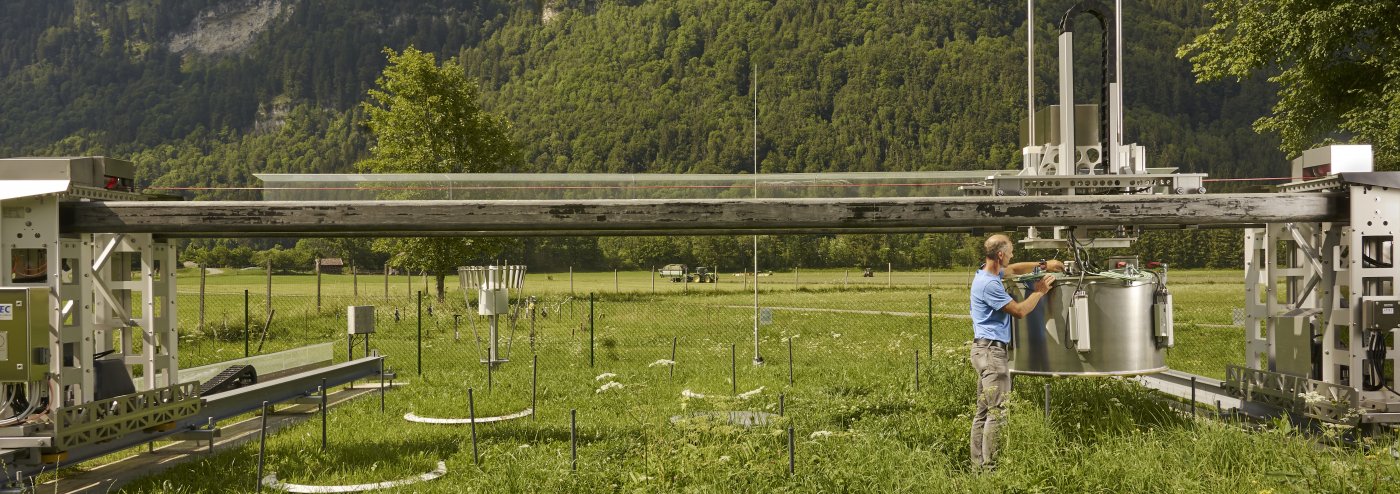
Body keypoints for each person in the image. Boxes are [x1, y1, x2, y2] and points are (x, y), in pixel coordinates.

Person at [969, 234, 1062, 471]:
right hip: (992, 354)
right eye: (1009, 252)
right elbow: (1019, 311)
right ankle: (990, 470)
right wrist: (1039, 291)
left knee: (983, 412)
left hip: (982, 349)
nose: (1011, 256)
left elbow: (1012, 270)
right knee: (997, 412)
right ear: (1000, 254)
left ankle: (977, 467)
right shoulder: (990, 284)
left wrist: (1043, 265)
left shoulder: (986, 272)